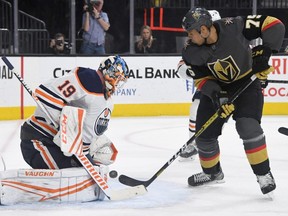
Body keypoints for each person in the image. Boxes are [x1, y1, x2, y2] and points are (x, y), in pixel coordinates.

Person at [181, 7, 285, 195]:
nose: (189, 38)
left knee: (248, 127)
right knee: (203, 136)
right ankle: (213, 173)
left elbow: (274, 24)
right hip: (217, 89)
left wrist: (265, 51)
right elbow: (200, 79)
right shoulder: (192, 51)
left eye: (191, 33)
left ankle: (263, 174)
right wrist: (216, 95)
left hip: (247, 84)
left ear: (204, 30)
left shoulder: (235, 26)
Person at [177, 10, 221, 162]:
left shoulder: (228, 40)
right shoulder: (196, 44)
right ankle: (195, 144)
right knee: (196, 107)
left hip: (230, 84)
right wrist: (193, 72)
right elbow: (181, 67)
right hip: (209, 84)